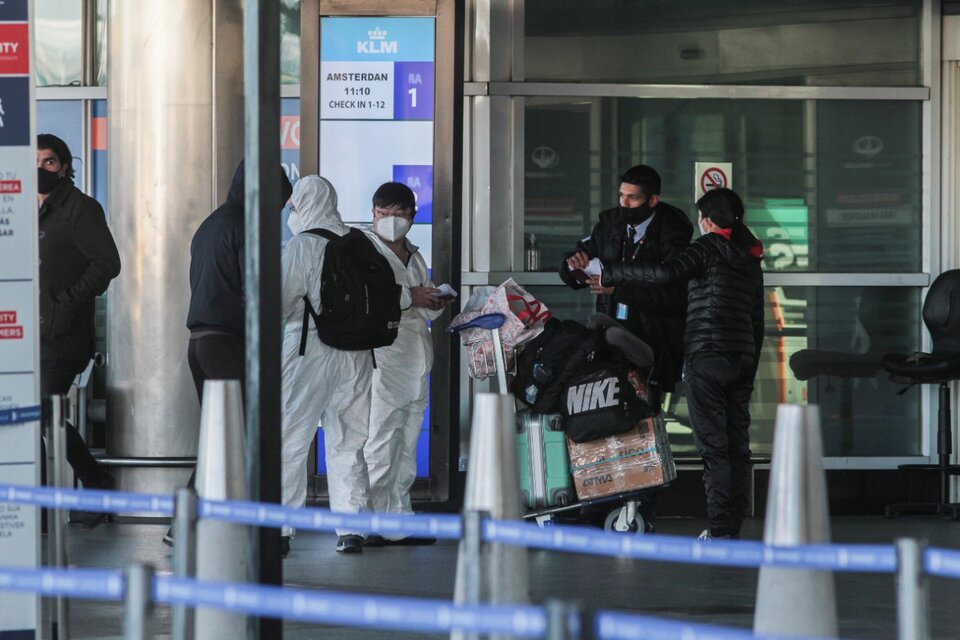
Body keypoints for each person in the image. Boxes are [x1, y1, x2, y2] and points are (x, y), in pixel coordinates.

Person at [600, 187, 764, 540]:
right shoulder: (749, 257)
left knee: (714, 447)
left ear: (706, 220)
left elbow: (663, 274)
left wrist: (615, 273)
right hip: (742, 359)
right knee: (738, 445)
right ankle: (732, 524)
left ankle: (719, 528)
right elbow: (757, 318)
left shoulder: (706, 248)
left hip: (708, 357)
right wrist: (750, 358)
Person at [163, 159, 292, 546]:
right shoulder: (247, 227)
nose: (279, 213)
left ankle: (186, 525)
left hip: (200, 342)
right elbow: (254, 290)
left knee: (219, 436)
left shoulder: (211, 223)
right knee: (241, 433)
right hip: (228, 342)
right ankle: (247, 529)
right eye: (279, 204)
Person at [560, 164, 692, 531]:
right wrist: (573, 265)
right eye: (621, 195)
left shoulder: (674, 230)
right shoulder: (610, 223)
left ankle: (639, 504)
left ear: (653, 199)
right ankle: (600, 498)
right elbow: (578, 260)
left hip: (652, 341)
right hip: (609, 337)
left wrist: (619, 289)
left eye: (632, 198)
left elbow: (671, 289)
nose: (624, 203)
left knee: (642, 420)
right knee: (602, 415)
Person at [279, 175, 374, 555]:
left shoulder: (301, 246)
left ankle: (281, 527)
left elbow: (281, 301)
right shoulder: (360, 242)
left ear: (302, 205)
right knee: (348, 441)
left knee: (290, 438)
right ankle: (351, 529)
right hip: (357, 355)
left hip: (307, 353)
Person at [361, 183, 453, 546]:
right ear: (373, 214)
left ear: (412, 218)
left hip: (416, 358)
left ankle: (398, 519)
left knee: (406, 443)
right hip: (383, 358)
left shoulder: (413, 254)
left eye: (398, 215)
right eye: (383, 214)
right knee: (380, 440)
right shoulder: (363, 251)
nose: (390, 221)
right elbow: (367, 296)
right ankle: (368, 520)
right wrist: (408, 296)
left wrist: (431, 299)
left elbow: (419, 292)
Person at [37, 133, 121, 527]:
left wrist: (67, 302)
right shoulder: (18, 209)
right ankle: (37, 501)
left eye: (49, 162)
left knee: (40, 409)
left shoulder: (80, 209)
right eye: (34, 161)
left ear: (65, 167)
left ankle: (96, 479)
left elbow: (107, 262)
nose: (41, 169)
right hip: (25, 334)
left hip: (64, 334)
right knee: (29, 415)